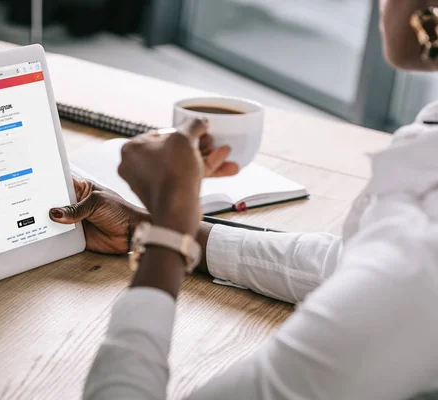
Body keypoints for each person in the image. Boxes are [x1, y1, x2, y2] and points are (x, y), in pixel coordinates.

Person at [49, 1, 438, 398]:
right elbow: (351, 264)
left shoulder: (418, 256)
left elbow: (398, 275)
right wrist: (150, 227)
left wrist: (164, 241)